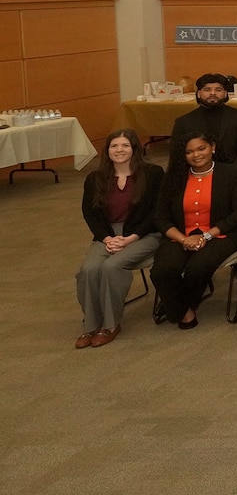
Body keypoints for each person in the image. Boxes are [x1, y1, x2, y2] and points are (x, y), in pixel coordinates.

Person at [151, 133, 237, 330]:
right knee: (162, 270)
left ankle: (175, 306)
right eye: (189, 152)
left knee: (197, 268)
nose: (196, 155)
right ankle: (185, 310)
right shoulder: (174, 177)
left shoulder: (233, 173)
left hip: (222, 234)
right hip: (180, 235)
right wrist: (183, 239)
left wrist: (207, 235)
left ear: (212, 147)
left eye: (201, 148)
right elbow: (161, 217)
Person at [75, 129, 164, 348]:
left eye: (125, 145)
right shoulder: (95, 179)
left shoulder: (153, 174)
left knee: (111, 266)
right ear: (107, 150)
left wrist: (131, 238)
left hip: (144, 234)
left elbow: (157, 212)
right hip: (107, 235)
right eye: (114, 146)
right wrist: (107, 238)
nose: (119, 150)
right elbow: (90, 213)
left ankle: (110, 325)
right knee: (88, 270)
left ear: (135, 149)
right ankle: (91, 325)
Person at [167, 73, 237, 178]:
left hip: (234, 174)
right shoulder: (184, 122)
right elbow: (176, 152)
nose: (213, 93)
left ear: (225, 93)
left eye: (218, 90)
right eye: (207, 90)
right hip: (195, 176)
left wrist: (233, 170)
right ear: (198, 93)